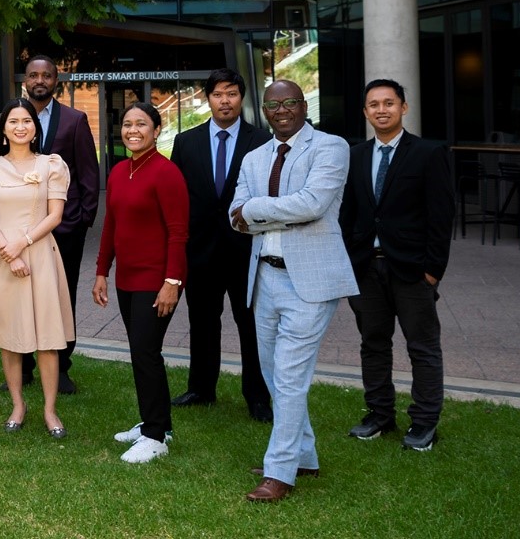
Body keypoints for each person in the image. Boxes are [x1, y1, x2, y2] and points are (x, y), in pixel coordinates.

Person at [231, 79, 356, 503]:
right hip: (264, 277)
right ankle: (304, 455)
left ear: (304, 105)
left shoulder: (330, 147)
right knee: (272, 373)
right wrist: (260, 213)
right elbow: (234, 215)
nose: (281, 110)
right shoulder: (253, 157)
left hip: (311, 281)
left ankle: (279, 470)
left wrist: (256, 211)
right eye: (273, 105)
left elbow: (312, 205)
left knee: (288, 376)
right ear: (264, 111)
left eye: (289, 102)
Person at [340, 78, 454, 452]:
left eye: (389, 102)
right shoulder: (355, 155)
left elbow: (441, 217)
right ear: (365, 112)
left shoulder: (428, 153)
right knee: (373, 344)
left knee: (422, 347)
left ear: (404, 107)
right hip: (366, 269)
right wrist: (349, 263)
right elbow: (349, 214)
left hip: (412, 271)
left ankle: (423, 423)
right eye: (374, 104)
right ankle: (379, 414)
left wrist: (432, 271)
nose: (381, 109)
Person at [0, 99, 74, 438]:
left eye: (27, 120)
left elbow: (55, 216)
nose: (21, 126)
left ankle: (50, 410)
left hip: (39, 253)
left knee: (47, 338)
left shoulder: (52, 165)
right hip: (3, 257)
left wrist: (22, 243)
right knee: (8, 337)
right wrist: (9, 253)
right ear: (4, 128)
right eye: (14, 121)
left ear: (35, 127)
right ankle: (18, 404)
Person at [169, 68, 273, 422]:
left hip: (246, 249)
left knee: (251, 325)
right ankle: (201, 388)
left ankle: (257, 396)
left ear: (241, 98)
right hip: (199, 251)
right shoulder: (186, 142)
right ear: (207, 98)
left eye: (231, 93)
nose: (224, 100)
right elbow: (177, 199)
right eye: (217, 94)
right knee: (202, 322)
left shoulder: (261, 141)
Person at [92, 102, 189, 464]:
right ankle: (155, 422)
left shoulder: (167, 173)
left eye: (142, 124)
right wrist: (102, 271)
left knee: (146, 352)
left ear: (157, 129)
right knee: (140, 352)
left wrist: (173, 281)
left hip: (157, 279)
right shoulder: (118, 171)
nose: (133, 130)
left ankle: (156, 435)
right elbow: (111, 227)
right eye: (128, 124)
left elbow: (179, 233)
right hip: (126, 279)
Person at [19, 54, 99, 394]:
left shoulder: (75, 120)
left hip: (64, 229)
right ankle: (22, 366)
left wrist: (82, 220)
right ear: (25, 81)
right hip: (20, 231)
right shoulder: (14, 117)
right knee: (20, 298)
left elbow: (88, 175)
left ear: (56, 81)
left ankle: (62, 366)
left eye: (47, 75)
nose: (40, 80)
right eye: (34, 75)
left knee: (61, 298)